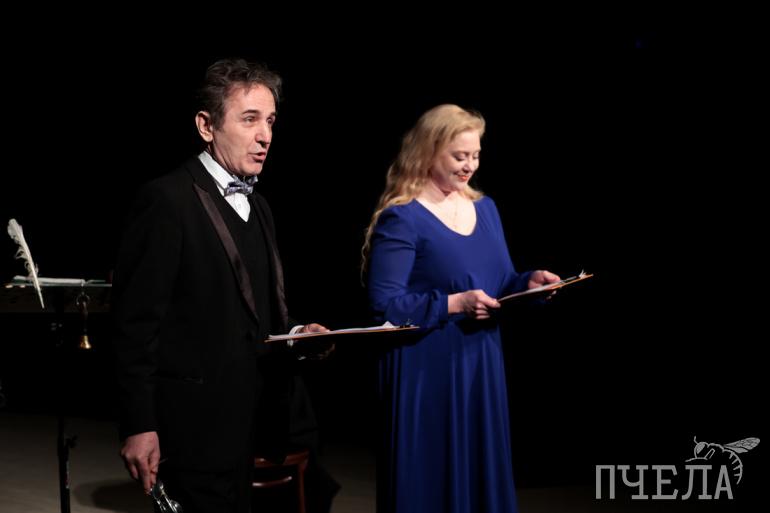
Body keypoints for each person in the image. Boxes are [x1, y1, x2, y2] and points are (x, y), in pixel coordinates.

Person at [112, 58, 333, 513]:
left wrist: (297, 335)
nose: (265, 135)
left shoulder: (261, 207)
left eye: (270, 121)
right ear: (206, 126)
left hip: (257, 424)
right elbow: (134, 327)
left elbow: (259, 314)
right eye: (249, 119)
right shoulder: (167, 200)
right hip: (194, 428)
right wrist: (138, 423)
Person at [361, 104, 561, 513]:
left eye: (476, 155)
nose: (470, 165)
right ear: (429, 151)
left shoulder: (486, 209)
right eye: (459, 156)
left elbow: (499, 282)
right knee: (429, 485)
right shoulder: (403, 218)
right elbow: (385, 305)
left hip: (479, 363)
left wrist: (528, 284)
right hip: (425, 370)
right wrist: (454, 304)